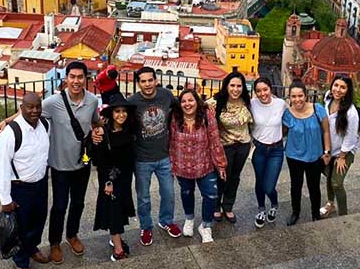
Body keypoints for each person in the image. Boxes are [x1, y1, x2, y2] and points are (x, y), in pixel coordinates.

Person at [0, 61, 103, 265]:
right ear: (66, 78)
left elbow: (95, 121)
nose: (76, 81)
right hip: (59, 166)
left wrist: (99, 130)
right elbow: (28, 111)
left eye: (80, 77)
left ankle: (72, 235)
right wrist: (7, 121)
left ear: (86, 79)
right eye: (72, 77)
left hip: (83, 162)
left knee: (78, 203)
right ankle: (54, 242)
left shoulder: (92, 101)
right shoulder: (53, 102)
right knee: (59, 206)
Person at [95, 67, 182, 246]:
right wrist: (98, 129)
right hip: (142, 158)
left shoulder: (166, 95)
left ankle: (166, 221)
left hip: (164, 155)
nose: (147, 84)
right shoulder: (133, 101)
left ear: (156, 80)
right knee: (143, 197)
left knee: (169, 193)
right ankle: (146, 226)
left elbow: (182, 106)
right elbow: (117, 114)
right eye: (143, 81)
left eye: (150, 80)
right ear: (138, 83)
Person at [0, 93, 50, 269]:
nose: (34, 111)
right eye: (30, 107)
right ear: (21, 108)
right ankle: (21, 263)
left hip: (40, 184)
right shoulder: (11, 133)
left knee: (39, 220)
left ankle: (32, 248)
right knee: (21, 227)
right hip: (20, 188)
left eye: (37, 107)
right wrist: (5, 200)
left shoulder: (45, 126)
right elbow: (1, 167)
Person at [169, 89, 227, 243]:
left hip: (204, 165)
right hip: (182, 166)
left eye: (191, 100)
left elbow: (215, 140)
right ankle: (189, 219)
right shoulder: (175, 118)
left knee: (211, 195)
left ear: (197, 101)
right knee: (187, 192)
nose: (187, 104)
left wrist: (221, 165)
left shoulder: (207, 116)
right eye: (184, 101)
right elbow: (171, 142)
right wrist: (171, 164)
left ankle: (206, 226)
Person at [90, 94, 137, 262]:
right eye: (117, 111)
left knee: (119, 209)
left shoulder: (129, 129)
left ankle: (115, 238)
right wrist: (108, 182)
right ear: (111, 113)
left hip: (124, 178)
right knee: (114, 211)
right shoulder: (104, 133)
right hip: (111, 179)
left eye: (124, 111)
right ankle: (118, 249)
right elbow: (101, 161)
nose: (121, 115)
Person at [282, 81, 331, 226]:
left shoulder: (318, 109)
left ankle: (315, 213)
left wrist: (327, 151)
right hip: (294, 155)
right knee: (295, 185)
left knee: (314, 186)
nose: (297, 99)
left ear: (306, 95)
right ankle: (295, 212)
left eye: (300, 96)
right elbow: (282, 132)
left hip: (314, 156)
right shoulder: (287, 113)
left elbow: (326, 131)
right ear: (289, 97)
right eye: (293, 96)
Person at [207, 71, 254, 223]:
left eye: (239, 86)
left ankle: (228, 206)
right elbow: (197, 107)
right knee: (222, 177)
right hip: (224, 146)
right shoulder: (216, 102)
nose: (235, 89)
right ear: (226, 86)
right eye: (232, 85)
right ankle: (216, 206)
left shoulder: (247, 101)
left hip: (243, 146)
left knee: (235, 177)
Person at [320, 75, 360, 218]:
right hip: (329, 147)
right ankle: (331, 203)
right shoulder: (328, 99)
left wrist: (342, 156)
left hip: (345, 150)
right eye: (336, 85)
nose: (338, 90)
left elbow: (350, 137)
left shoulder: (351, 113)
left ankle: (343, 214)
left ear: (348, 90)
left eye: (343, 87)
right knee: (329, 175)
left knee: (336, 182)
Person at [249, 77, 287, 229]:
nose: (262, 93)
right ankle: (261, 209)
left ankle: (274, 204)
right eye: (258, 91)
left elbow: (291, 118)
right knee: (259, 181)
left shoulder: (281, 104)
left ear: (271, 89)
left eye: (265, 89)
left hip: (276, 149)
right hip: (259, 148)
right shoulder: (252, 104)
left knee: (268, 186)